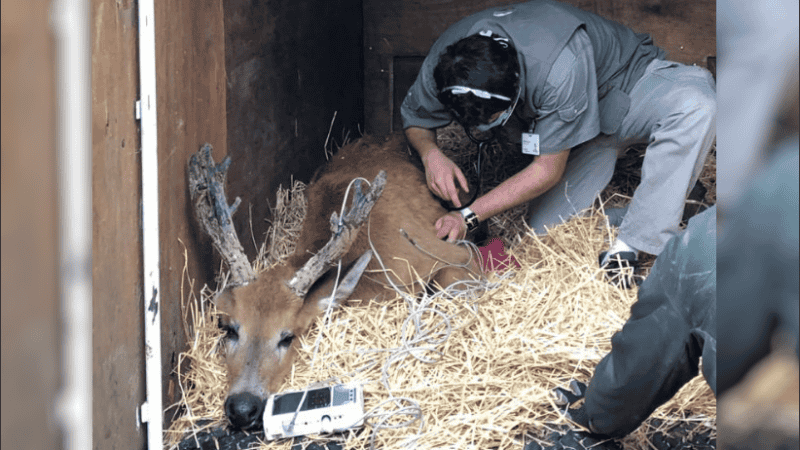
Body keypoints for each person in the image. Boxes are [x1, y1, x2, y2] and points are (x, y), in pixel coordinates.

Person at [401, 0, 716, 286]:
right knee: (542, 240)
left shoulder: (558, 64)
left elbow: (547, 170)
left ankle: (634, 243)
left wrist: (466, 216)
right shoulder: (446, 64)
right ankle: (663, 207)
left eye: (497, 116)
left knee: (696, 105)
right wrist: (431, 154)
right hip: (578, 132)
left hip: (628, 90)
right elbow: (415, 117)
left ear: (517, 83)